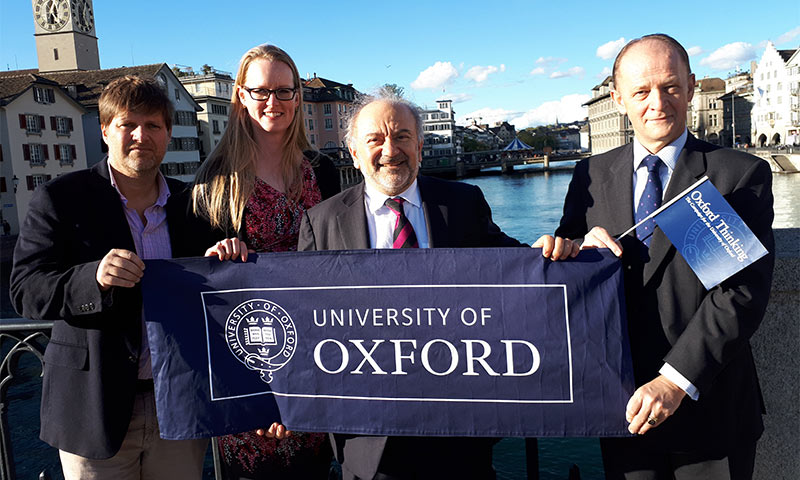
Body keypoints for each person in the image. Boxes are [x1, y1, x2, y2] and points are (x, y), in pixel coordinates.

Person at [297, 93, 575, 480]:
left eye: (403, 136)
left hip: (458, 432)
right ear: (354, 152)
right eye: (375, 139)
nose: (390, 150)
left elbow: (512, 269)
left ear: (421, 147)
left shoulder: (462, 202)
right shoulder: (320, 221)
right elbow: (305, 323)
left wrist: (556, 253)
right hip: (369, 440)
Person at [555, 34, 774, 479]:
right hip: (625, 408)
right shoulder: (591, 175)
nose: (658, 102)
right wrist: (571, 251)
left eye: (671, 87)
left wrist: (674, 382)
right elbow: (568, 273)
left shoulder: (736, 173)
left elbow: (739, 294)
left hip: (709, 408)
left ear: (691, 87)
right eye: (641, 91)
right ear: (618, 99)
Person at [10, 75, 213, 479]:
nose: (141, 136)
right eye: (127, 125)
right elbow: (25, 291)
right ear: (105, 131)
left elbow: (213, 286)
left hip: (178, 404)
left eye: (153, 125)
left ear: (168, 134)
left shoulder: (194, 205)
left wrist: (228, 256)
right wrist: (94, 279)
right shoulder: (61, 198)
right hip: (93, 408)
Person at [194, 44, 340, 479]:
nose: (272, 102)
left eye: (283, 90)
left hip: (318, 355)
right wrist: (216, 258)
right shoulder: (214, 180)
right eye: (260, 91)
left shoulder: (323, 170)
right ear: (240, 95)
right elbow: (208, 297)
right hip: (248, 358)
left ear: (297, 95)